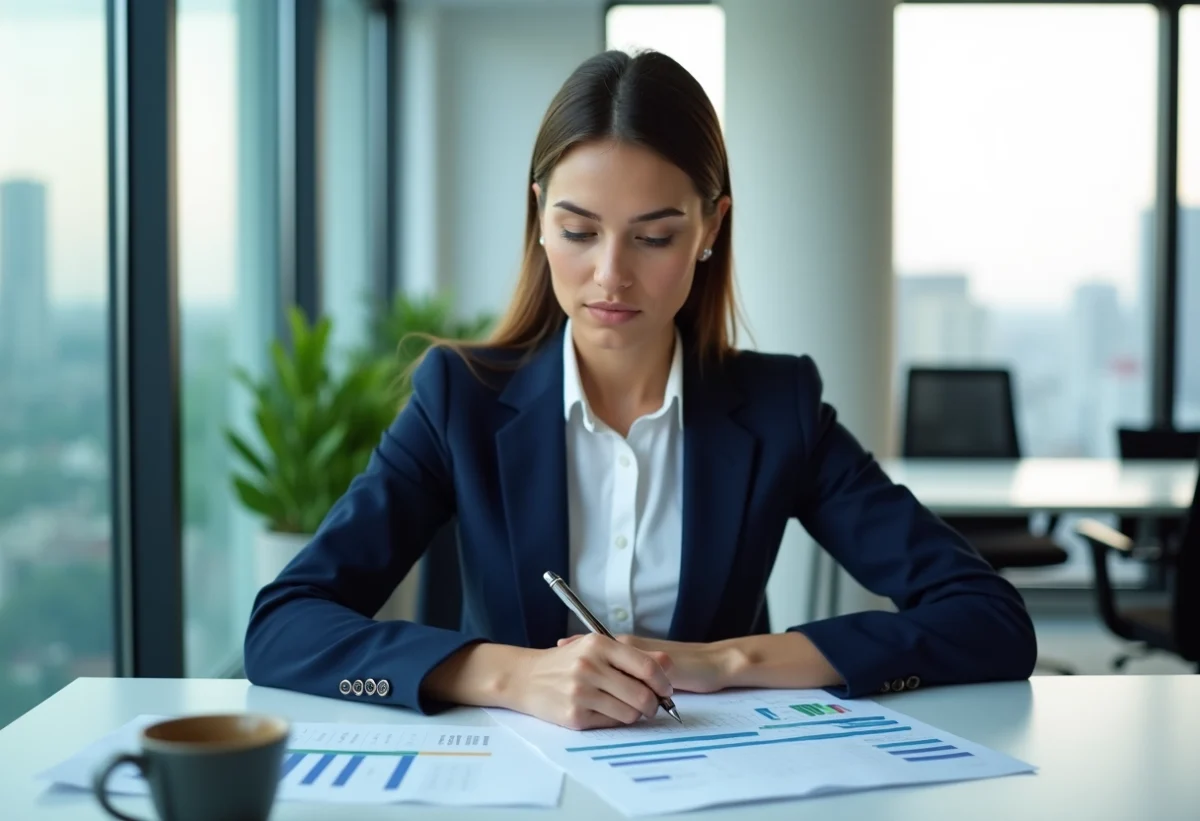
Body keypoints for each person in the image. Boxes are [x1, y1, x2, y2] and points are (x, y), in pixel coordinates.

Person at [244, 49, 1036, 731]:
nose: (610, 274)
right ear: (539, 217)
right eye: (579, 231)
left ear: (711, 227)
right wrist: (512, 675)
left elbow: (989, 619)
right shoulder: (461, 399)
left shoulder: (778, 407)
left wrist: (725, 661)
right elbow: (284, 626)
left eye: (654, 236)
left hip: (716, 783)